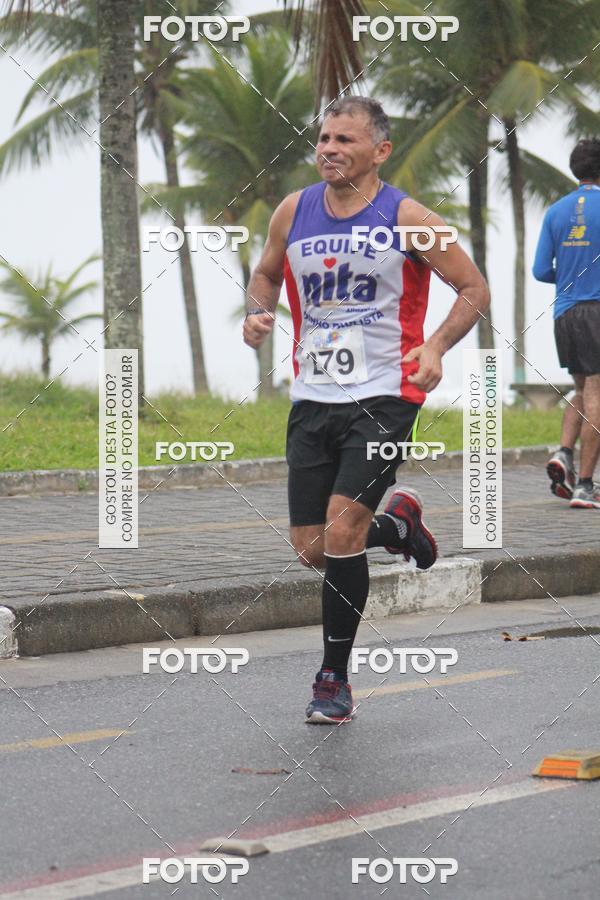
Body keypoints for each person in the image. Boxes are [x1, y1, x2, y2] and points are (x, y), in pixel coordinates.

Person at [243, 97, 490, 724]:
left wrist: (434, 346)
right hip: (313, 399)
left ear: (379, 151)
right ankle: (399, 528)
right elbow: (266, 274)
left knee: (342, 529)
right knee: (312, 547)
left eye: (344, 140)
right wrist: (257, 312)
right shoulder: (293, 211)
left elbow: (473, 286)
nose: (328, 148)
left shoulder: (407, 216)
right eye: (323, 137)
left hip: (384, 395)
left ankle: (333, 678)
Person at [533, 138, 600, 509]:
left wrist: (572, 274)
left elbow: (542, 270)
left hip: (565, 314)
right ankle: (586, 487)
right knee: (597, 396)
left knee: (581, 390)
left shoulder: (556, 212)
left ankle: (563, 453)